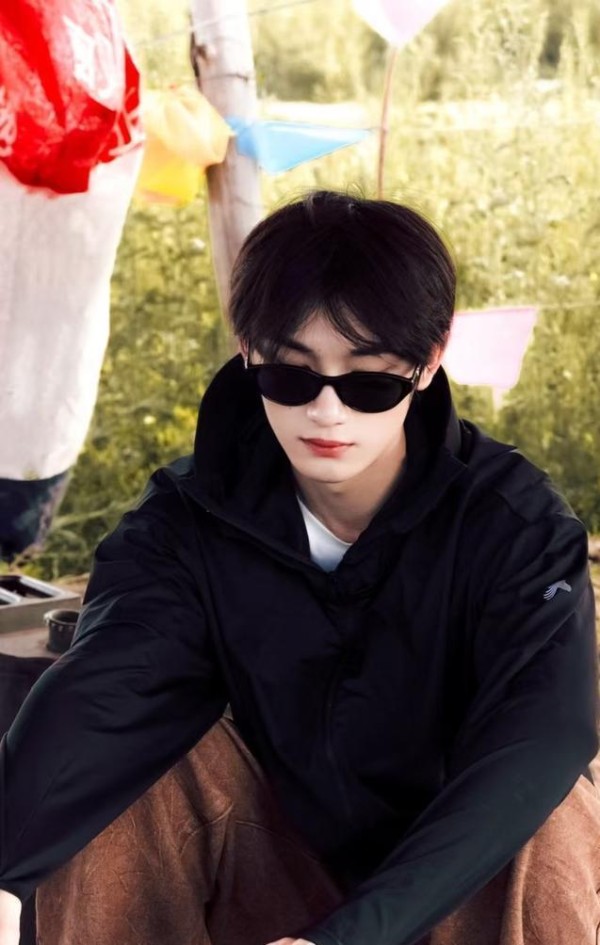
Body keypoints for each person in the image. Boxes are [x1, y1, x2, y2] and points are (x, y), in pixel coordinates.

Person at [0, 190, 599, 945]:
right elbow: (105, 691)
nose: (326, 412)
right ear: (247, 347)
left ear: (430, 359)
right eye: (292, 374)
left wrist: (349, 937)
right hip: (271, 863)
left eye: (369, 381)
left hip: (455, 880)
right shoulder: (186, 522)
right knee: (126, 778)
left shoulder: (514, 525)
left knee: (551, 804)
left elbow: (545, 732)